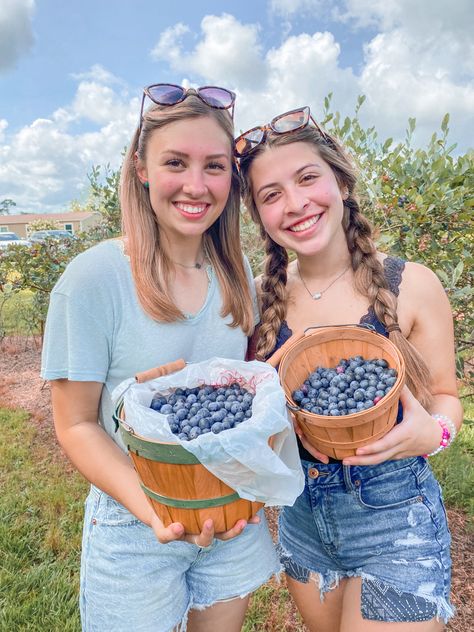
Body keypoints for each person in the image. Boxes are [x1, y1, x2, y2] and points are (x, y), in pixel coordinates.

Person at [40, 84, 279, 632]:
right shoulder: (94, 281)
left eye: (214, 166)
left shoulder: (235, 274)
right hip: (134, 520)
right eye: (176, 162)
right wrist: (158, 510)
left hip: (230, 514)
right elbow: (76, 424)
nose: (196, 185)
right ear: (141, 167)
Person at [236, 106, 463, 631]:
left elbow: (447, 397)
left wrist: (435, 431)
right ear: (260, 215)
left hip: (396, 523)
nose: (295, 204)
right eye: (271, 195)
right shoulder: (256, 300)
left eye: (307, 178)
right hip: (301, 525)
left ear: (339, 179)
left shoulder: (412, 283)